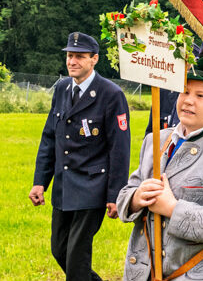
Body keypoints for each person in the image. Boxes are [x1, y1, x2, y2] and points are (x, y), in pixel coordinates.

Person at [116, 51, 203, 281]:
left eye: (201, 95)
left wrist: (172, 208)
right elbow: (127, 193)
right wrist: (137, 197)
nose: (189, 100)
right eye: (185, 91)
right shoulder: (155, 140)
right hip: (146, 272)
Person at [31, 32, 130, 281]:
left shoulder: (110, 94)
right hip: (64, 186)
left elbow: (119, 148)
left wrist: (114, 195)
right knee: (59, 250)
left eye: (79, 56)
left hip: (92, 187)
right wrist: (40, 181)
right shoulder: (62, 88)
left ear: (94, 59)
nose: (72, 61)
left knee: (76, 258)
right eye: (69, 56)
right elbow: (50, 137)